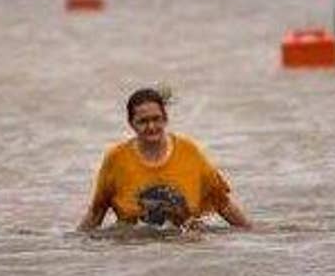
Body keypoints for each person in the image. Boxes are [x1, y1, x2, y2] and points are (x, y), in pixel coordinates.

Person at [78, 87, 252, 231]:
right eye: (143, 121)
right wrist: (73, 245)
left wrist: (252, 232)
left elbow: (222, 203)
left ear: (166, 118)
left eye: (156, 119)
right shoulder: (116, 158)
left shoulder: (189, 152)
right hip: (133, 252)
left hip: (183, 251)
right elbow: (97, 212)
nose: (151, 126)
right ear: (131, 123)